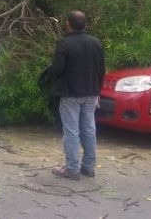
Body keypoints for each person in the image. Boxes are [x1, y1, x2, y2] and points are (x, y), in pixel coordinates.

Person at [49, 10, 105, 180]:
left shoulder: (65, 44)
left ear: (68, 24)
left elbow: (57, 69)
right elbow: (101, 70)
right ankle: (88, 167)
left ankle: (72, 168)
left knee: (71, 130)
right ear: (85, 24)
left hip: (70, 93)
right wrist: (98, 91)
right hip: (92, 93)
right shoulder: (96, 43)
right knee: (89, 129)